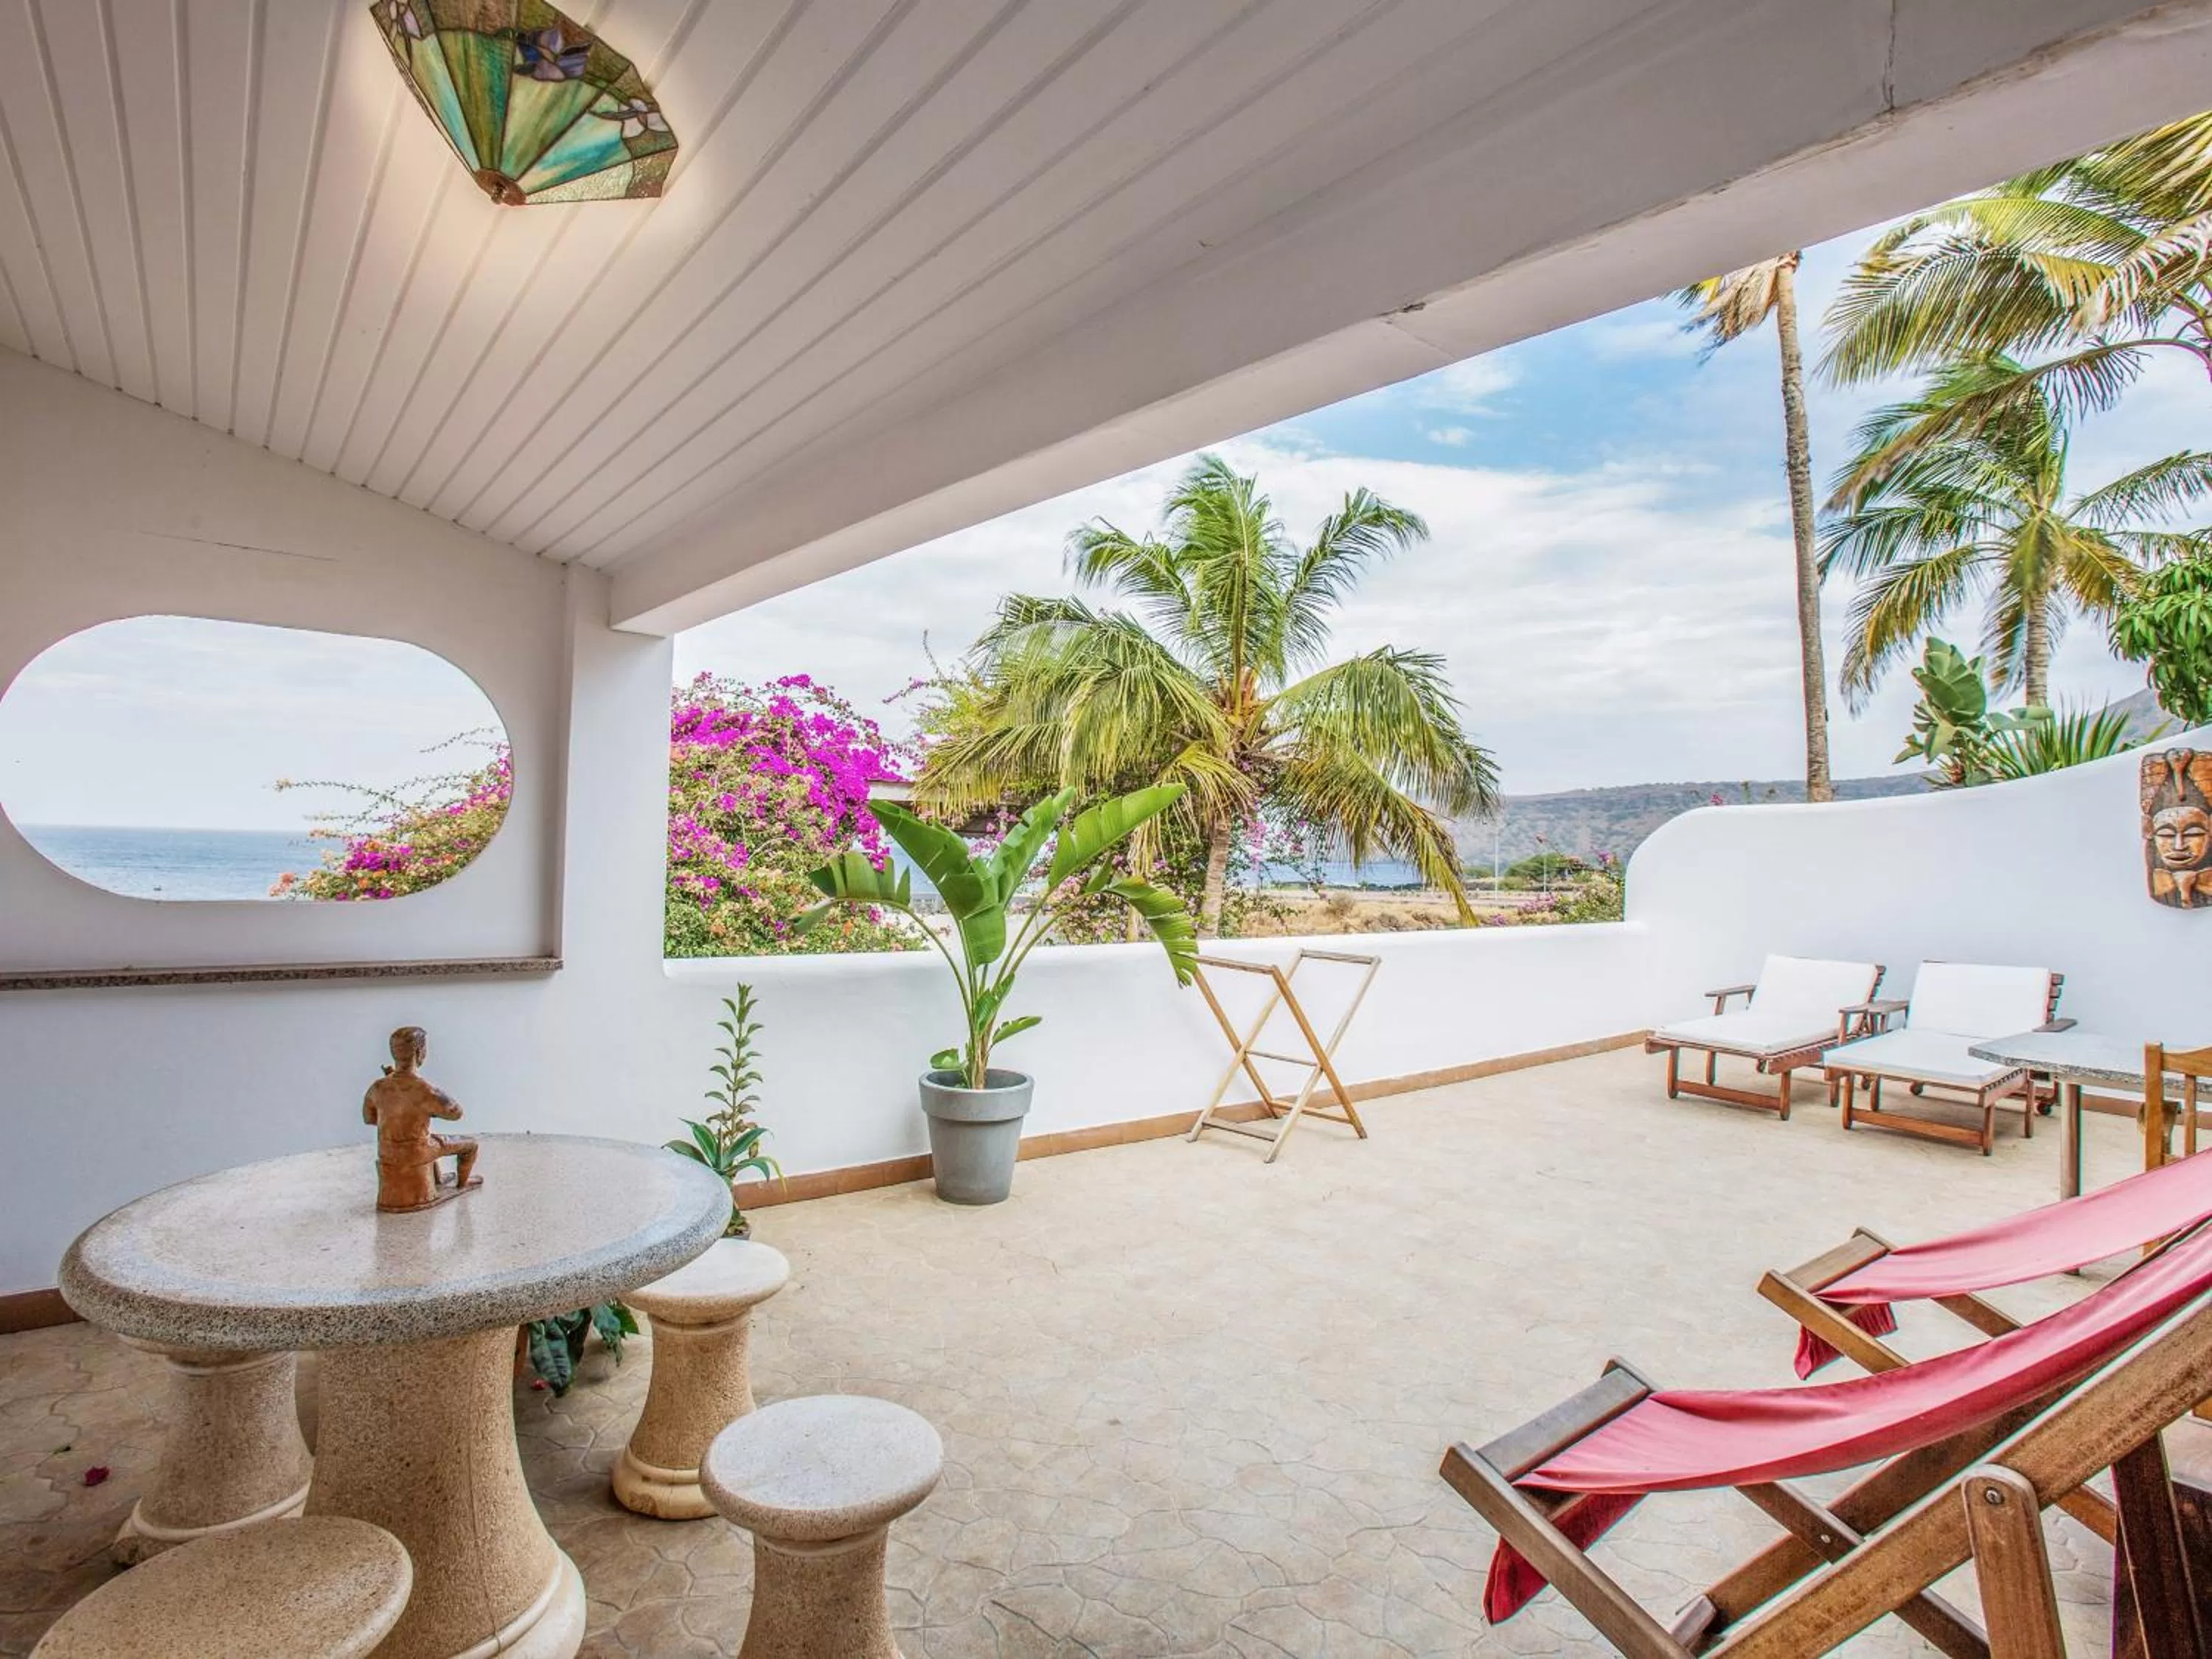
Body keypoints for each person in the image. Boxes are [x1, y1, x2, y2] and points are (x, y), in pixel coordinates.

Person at [362, 1026, 481, 1211]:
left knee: (430, 1138)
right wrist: (427, 1109)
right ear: (420, 1052)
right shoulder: (426, 1090)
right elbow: (456, 1113)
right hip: (418, 1151)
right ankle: (463, 1183)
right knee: (470, 1145)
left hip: (388, 1152)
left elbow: (370, 1119)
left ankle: (438, 1179)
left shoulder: (377, 1087)